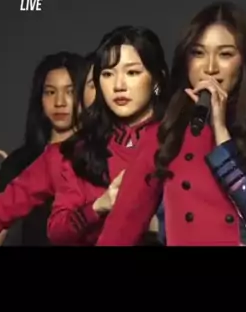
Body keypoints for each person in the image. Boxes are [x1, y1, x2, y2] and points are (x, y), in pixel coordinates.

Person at [96, 1, 246, 247]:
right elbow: (122, 226)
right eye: (198, 53)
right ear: (186, 61)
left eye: (225, 54)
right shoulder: (166, 133)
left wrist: (222, 135)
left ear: (244, 63)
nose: (210, 68)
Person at [47, 26, 168, 246]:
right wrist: (99, 206)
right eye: (108, 74)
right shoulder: (84, 149)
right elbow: (57, 231)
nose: (118, 86)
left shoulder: (178, 140)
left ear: (156, 79)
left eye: (132, 73)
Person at [0, 52, 93, 247]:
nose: (60, 102)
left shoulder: (100, 156)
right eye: (50, 92)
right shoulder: (21, 162)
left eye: (70, 91)